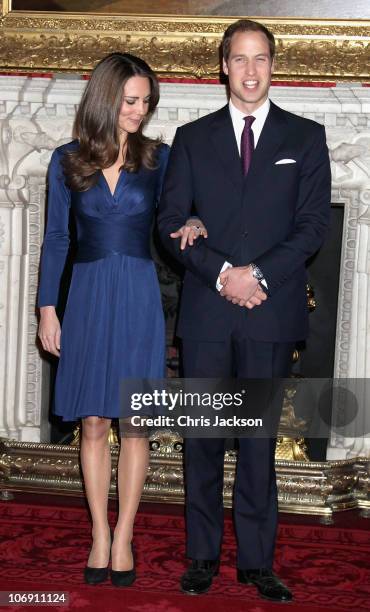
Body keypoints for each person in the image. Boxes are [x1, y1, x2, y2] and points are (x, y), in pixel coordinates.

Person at [158, 19, 331, 603]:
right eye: (240, 59)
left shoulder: (305, 137)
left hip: (270, 308)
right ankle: (202, 556)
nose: (251, 71)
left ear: (272, 65)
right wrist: (219, 274)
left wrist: (255, 276)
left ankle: (257, 562)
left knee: (257, 443)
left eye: (261, 59)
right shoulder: (192, 137)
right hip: (208, 311)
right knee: (202, 440)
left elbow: (312, 228)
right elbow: (169, 220)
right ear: (223, 66)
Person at [37, 52, 205, 587]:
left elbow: (181, 214)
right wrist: (47, 308)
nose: (139, 110)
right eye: (130, 100)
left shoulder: (161, 158)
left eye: (145, 102)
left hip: (137, 295)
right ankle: (98, 534)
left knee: (135, 424)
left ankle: (126, 533)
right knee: (92, 421)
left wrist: (195, 220)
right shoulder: (66, 160)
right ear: (105, 98)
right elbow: (57, 238)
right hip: (85, 296)